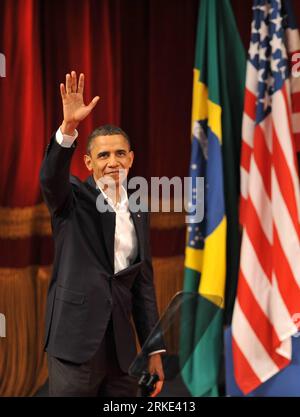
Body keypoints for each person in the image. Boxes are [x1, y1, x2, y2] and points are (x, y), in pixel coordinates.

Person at [40, 71, 165, 397]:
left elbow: (143, 285)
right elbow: (50, 177)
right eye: (103, 155)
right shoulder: (71, 199)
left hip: (122, 351)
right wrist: (68, 129)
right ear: (88, 162)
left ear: (131, 158)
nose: (113, 162)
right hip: (75, 343)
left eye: (120, 153)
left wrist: (153, 349)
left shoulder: (139, 209)